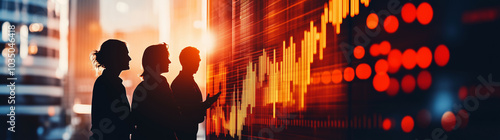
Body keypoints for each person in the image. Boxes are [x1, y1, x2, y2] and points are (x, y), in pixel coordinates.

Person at [130, 43, 179, 139]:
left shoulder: (141, 89)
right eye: (166, 58)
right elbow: (172, 115)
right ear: (157, 61)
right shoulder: (161, 86)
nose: (169, 62)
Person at [171, 46, 221, 140]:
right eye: (196, 60)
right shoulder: (179, 83)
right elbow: (185, 110)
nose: (198, 63)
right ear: (188, 61)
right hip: (184, 135)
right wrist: (205, 104)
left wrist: (205, 104)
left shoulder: (188, 81)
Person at [89, 39, 133, 140]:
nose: (129, 58)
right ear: (116, 57)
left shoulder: (106, 82)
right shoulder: (109, 84)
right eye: (126, 54)